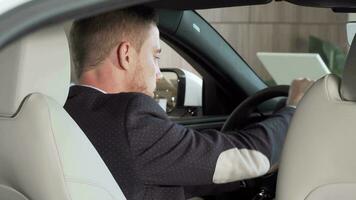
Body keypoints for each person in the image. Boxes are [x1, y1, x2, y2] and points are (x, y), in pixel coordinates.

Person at [64, 6, 313, 200]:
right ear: (126, 55)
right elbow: (242, 157)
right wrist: (294, 109)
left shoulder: (67, 110)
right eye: (155, 56)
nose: (159, 73)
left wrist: (248, 180)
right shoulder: (129, 118)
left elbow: (176, 168)